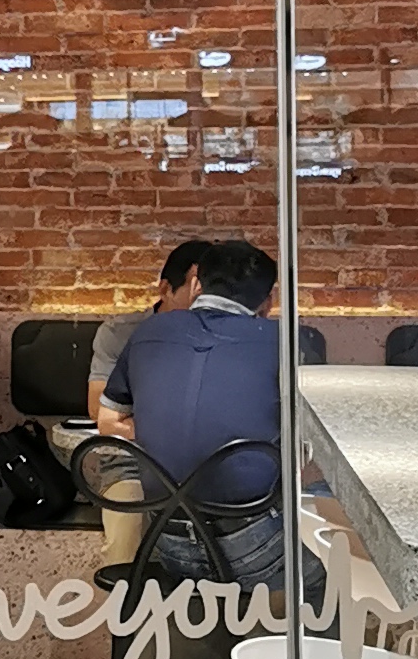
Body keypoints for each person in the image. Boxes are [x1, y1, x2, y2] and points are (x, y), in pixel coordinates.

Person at [102, 235, 289, 595]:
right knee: (326, 581)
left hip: (167, 537)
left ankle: (216, 627)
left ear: (196, 286)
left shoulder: (148, 332)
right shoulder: (285, 341)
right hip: (252, 543)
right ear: (268, 302)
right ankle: (263, 632)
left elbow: (108, 416)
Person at [86, 238, 212, 429]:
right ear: (165, 289)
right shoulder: (121, 333)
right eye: (198, 293)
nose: (209, 304)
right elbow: (98, 408)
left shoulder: (228, 337)